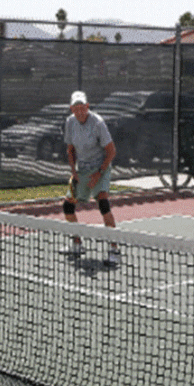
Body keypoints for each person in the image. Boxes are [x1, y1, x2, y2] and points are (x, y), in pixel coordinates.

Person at [63, 90, 119, 265]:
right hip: (82, 170)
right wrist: (74, 171)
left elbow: (111, 151)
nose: (80, 111)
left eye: (83, 107)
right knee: (67, 207)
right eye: (76, 108)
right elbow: (70, 150)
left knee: (103, 203)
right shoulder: (70, 123)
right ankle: (77, 244)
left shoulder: (98, 123)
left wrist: (98, 173)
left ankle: (114, 249)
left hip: (100, 167)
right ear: (72, 109)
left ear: (87, 106)